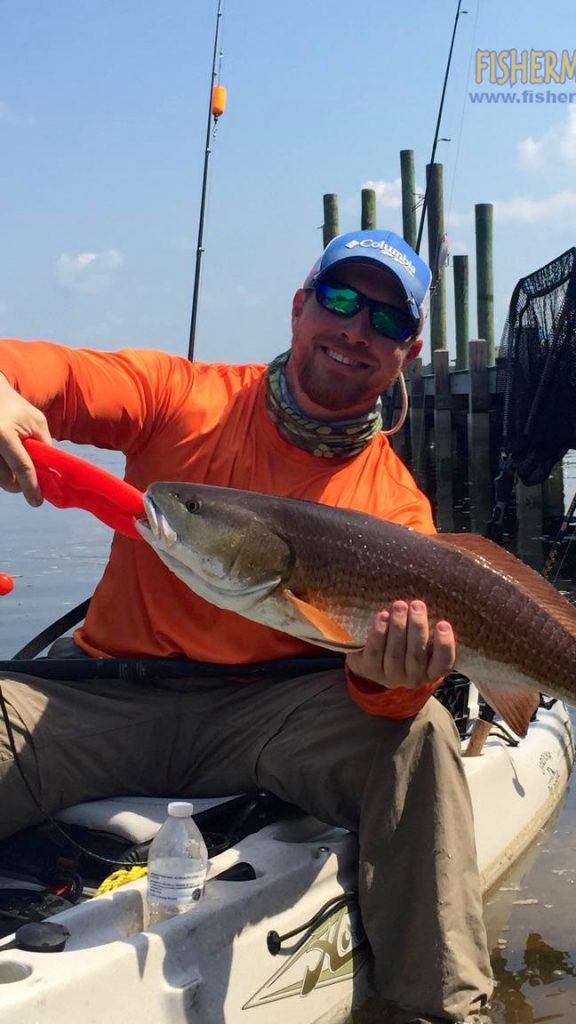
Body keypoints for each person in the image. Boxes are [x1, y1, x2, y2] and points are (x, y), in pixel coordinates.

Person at [0, 229, 492, 1023]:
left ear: (408, 352)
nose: (355, 330)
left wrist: (392, 681)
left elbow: (381, 701)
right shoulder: (182, 395)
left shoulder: (398, 510)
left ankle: (434, 1008)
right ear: (300, 308)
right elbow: (47, 372)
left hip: (271, 714)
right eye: (338, 301)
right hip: (102, 697)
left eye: (386, 322)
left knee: (421, 737)